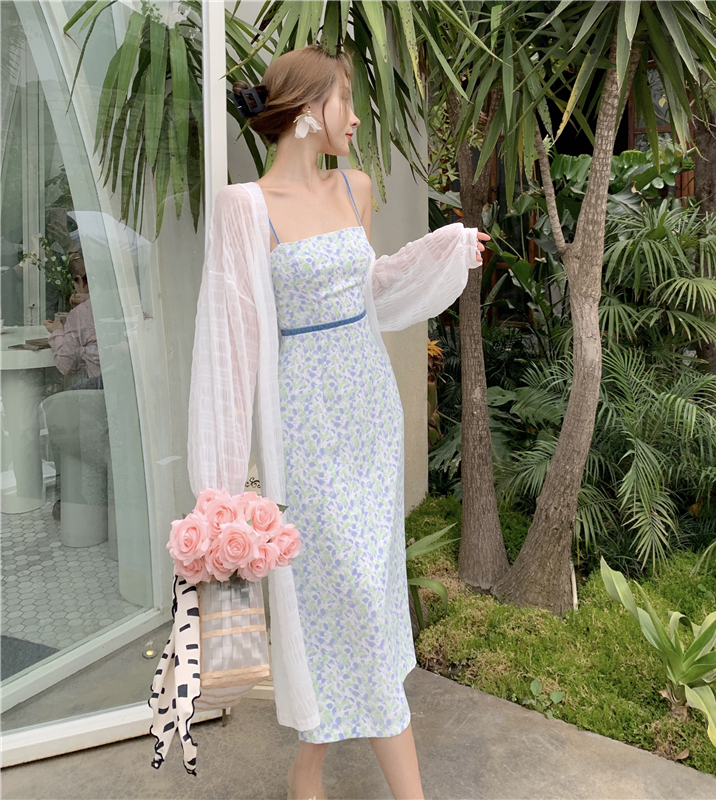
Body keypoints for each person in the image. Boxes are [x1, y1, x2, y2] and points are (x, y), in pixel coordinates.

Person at [186, 44, 488, 800]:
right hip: (306, 428)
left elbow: (369, 288)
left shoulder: (357, 188)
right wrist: (221, 492)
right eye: (344, 101)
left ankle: (309, 768)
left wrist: (442, 252)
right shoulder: (244, 207)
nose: (354, 118)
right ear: (304, 111)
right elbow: (228, 342)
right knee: (342, 592)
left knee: (366, 594)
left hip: (370, 417)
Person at [44, 249, 102, 390]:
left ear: (80, 280)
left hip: (99, 390)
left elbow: (66, 365)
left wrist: (57, 332)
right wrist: (89, 298)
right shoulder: (126, 303)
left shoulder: (80, 314)